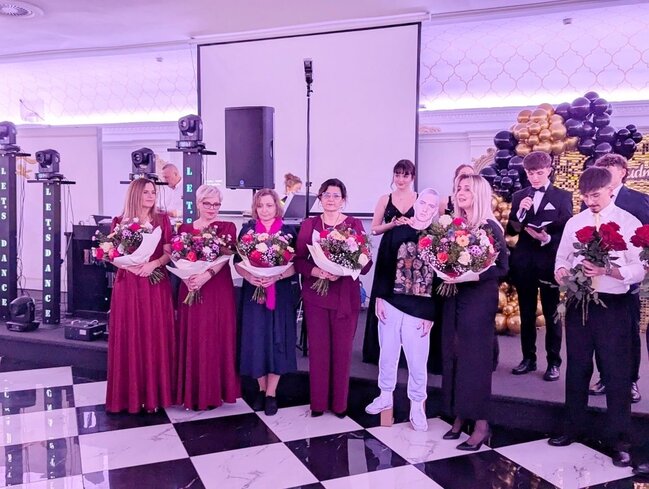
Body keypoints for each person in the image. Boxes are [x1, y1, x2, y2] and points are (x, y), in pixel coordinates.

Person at [549, 167, 644, 468]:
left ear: (610, 190)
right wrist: (561, 272)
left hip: (614, 305)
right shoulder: (575, 222)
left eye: (596, 195)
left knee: (616, 373)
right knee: (577, 368)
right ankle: (572, 428)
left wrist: (609, 271)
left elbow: (640, 268)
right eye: (586, 196)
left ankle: (620, 441)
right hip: (578, 302)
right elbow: (562, 258)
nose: (591, 201)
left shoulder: (628, 222)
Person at [441, 174, 508, 450]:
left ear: (479, 194)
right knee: (455, 353)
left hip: (479, 298)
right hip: (455, 296)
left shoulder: (490, 226)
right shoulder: (456, 224)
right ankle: (459, 414)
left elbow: (502, 268)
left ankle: (481, 424)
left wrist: (472, 275)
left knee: (475, 359)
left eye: (467, 189)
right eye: (458, 188)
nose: (461, 192)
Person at [295, 178, 372, 417]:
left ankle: (339, 404)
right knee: (318, 351)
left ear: (343, 199)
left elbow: (366, 264)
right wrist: (317, 271)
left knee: (342, 352)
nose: (331, 199)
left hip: (344, 297)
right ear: (320, 198)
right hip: (317, 296)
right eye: (326, 195)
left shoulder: (353, 224)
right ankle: (318, 403)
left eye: (336, 195)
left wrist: (349, 266)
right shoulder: (310, 225)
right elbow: (298, 261)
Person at [364, 188, 440, 432]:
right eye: (423, 203)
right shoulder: (397, 231)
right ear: (416, 204)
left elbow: (439, 281)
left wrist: (430, 314)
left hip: (419, 309)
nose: (426, 208)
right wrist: (379, 298)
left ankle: (417, 405)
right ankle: (385, 394)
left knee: (417, 361)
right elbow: (384, 266)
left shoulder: (438, 238)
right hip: (391, 302)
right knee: (387, 353)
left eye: (432, 205)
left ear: (436, 210)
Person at [106, 178, 176, 413]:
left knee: (153, 335)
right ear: (135, 194)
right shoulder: (119, 221)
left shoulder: (162, 220)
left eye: (153, 192)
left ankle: (155, 396)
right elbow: (111, 254)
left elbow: (169, 253)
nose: (151, 196)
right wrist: (129, 266)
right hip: (128, 284)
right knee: (130, 334)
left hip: (154, 283)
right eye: (146, 192)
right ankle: (129, 397)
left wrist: (153, 264)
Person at [507, 152, 573, 381]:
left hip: (549, 264)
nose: (534, 178)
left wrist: (547, 239)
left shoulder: (563, 196)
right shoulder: (519, 196)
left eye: (539, 173)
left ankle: (554, 362)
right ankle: (528, 359)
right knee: (526, 314)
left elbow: (567, 231)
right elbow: (511, 230)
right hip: (524, 263)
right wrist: (520, 213)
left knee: (552, 314)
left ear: (549, 170)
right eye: (530, 173)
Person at [588, 153, 649, 403]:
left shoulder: (639, 200)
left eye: (610, 169)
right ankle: (605, 376)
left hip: (627, 278)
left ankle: (631, 380)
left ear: (623, 172)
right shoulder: (591, 199)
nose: (605, 174)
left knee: (629, 331)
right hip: (597, 279)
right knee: (600, 331)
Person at [175, 185, 240, 410]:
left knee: (214, 336)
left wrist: (205, 275)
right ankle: (192, 392)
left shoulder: (227, 227)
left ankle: (213, 393)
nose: (212, 208)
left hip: (217, 289)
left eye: (216, 204)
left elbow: (225, 257)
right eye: (207, 203)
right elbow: (178, 257)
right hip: (190, 287)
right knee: (194, 336)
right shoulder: (184, 228)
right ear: (198, 203)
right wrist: (187, 278)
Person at [234, 189, 298, 416]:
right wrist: (250, 276)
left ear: (276, 207)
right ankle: (261, 389)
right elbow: (237, 262)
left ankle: (271, 393)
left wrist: (276, 276)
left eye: (269, 205)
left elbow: (295, 265)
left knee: (278, 339)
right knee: (257, 339)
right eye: (260, 205)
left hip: (279, 293)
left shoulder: (288, 232)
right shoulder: (248, 231)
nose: (264, 210)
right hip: (254, 292)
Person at [362, 160, 418, 365]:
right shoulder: (385, 199)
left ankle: (407, 352)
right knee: (385, 296)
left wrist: (414, 222)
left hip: (412, 253)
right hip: (389, 252)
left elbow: (428, 226)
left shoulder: (419, 198)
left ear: (412, 177)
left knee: (408, 295)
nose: (400, 179)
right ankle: (379, 350)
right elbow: (374, 229)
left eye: (405, 175)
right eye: (397, 175)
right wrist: (392, 224)